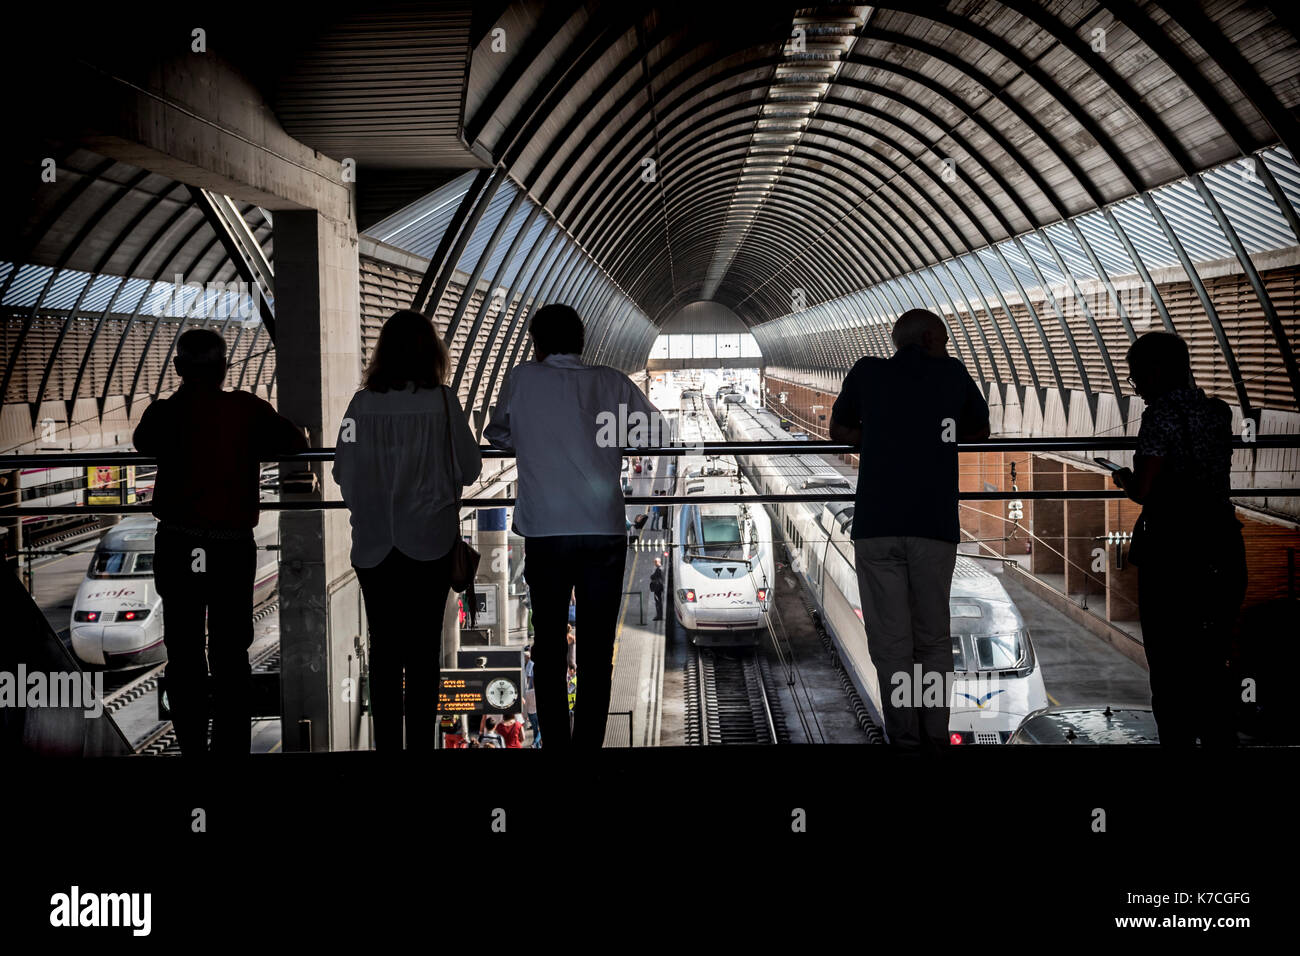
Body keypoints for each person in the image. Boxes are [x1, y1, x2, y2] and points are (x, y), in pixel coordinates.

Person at [486, 303, 660, 752]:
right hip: (603, 531)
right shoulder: (611, 382)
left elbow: (498, 433)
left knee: (547, 647)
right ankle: (588, 751)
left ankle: (557, 751)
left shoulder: (523, 379)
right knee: (597, 650)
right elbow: (655, 432)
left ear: (536, 344)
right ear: (582, 343)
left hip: (546, 533)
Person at [133, 328, 307, 756]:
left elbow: (142, 443)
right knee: (230, 652)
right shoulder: (245, 409)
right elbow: (294, 442)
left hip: (177, 544)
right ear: (224, 368)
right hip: (230, 547)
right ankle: (231, 751)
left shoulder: (164, 414)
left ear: (178, 369)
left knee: (184, 650)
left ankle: (193, 747)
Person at [828, 309, 989, 753]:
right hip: (933, 527)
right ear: (927, 338)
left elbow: (837, 430)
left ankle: (903, 739)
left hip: (877, 525)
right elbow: (980, 431)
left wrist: (876, 434)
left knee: (891, 642)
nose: (948, 346)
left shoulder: (867, 372)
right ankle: (934, 736)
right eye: (944, 339)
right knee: (932, 640)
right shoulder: (952, 374)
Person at [333, 309, 482, 751]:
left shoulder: (361, 405)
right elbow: (471, 469)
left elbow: (342, 470)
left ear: (383, 354)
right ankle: (420, 748)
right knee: (422, 652)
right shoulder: (443, 402)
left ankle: (387, 752)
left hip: (375, 545)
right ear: (431, 353)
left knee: (383, 649)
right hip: (430, 542)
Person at [1112, 331, 1246, 747]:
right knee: (1213, 655)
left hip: (1172, 553)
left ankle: (1179, 744)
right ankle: (1219, 738)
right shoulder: (1218, 411)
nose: (1138, 389)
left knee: (1169, 664)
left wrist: (1125, 480)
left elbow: (1146, 490)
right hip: (1221, 543)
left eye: (1137, 378)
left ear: (1156, 372)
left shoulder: (1160, 416)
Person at [523, 647, 541, 748]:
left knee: (535, 730)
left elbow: (525, 704)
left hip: (531, 714)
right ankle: (535, 744)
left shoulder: (528, 692)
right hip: (536, 713)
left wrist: (525, 717)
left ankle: (537, 746)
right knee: (539, 731)